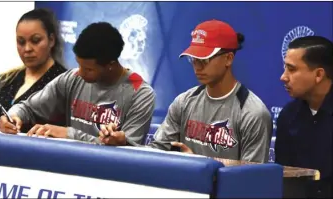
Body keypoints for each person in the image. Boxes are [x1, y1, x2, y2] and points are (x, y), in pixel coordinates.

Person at [99, 19, 272, 163]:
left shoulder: (252, 113)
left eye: (204, 60)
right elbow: (156, 153)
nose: (197, 67)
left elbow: (252, 178)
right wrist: (124, 144)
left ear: (228, 58)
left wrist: (200, 165)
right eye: (193, 60)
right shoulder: (184, 102)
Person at [0, 22, 156, 146]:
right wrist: (12, 117)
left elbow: (129, 149)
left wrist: (69, 134)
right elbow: (28, 107)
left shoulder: (141, 93)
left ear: (110, 65)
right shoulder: (72, 78)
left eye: (88, 69)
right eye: (79, 65)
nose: (80, 72)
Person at [0, 8, 67, 131]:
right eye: (21, 42)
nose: (27, 48)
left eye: (35, 41)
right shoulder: (6, 79)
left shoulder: (64, 83)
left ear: (51, 40)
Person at [275, 36, 333, 198]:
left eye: (291, 69)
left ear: (319, 74)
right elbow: (285, 177)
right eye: (284, 68)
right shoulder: (288, 116)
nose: (283, 77)